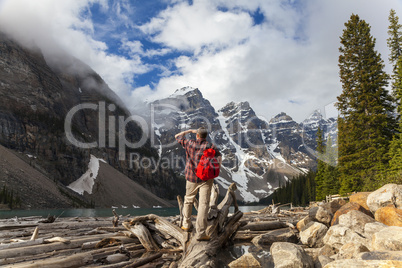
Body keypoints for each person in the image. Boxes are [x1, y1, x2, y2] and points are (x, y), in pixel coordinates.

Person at [175, 127, 222, 241]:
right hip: (206, 179)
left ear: (197, 135)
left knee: (188, 200)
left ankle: (186, 224)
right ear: (206, 136)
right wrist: (216, 167)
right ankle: (201, 233)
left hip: (191, 177)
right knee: (203, 204)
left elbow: (177, 136)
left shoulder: (189, 143)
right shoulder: (210, 146)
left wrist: (190, 131)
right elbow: (219, 157)